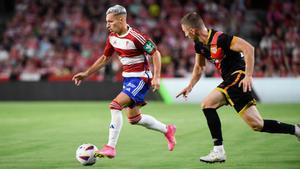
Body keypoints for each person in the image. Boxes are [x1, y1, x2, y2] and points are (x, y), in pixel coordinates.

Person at [177, 12, 300, 163]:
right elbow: (199, 67)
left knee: (207, 104)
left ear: (192, 30)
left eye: (184, 31)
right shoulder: (199, 45)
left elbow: (249, 48)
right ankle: (296, 130)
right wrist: (190, 86)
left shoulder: (221, 39)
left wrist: (248, 75)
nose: (184, 35)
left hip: (238, 76)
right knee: (257, 124)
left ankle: (218, 150)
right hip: (232, 82)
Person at [72, 5, 176, 159]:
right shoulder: (112, 37)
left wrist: (157, 77)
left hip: (141, 78)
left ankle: (110, 147)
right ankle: (167, 130)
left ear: (121, 20)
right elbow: (105, 58)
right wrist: (86, 73)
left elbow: (156, 53)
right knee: (134, 119)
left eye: (110, 21)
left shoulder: (136, 36)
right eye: (106, 21)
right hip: (128, 78)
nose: (107, 25)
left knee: (115, 105)